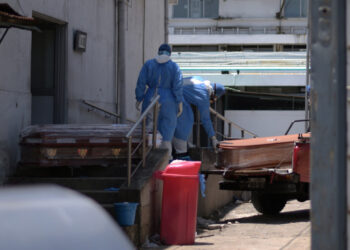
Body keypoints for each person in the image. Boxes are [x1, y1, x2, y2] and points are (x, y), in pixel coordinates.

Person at [135, 44, 183, 159]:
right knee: (167, 127)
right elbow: (178, 85)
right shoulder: (174, 67)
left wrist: (139, 98)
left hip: (150, 96)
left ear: (159, 51)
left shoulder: (148, 64)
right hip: (169, 99)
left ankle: (148, 155)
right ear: (169, 53)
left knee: (149, 127)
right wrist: (179, 101)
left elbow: (141, 82)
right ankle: (166, 157)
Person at [172, 76, 225, 159]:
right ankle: (181, 155)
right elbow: (205, 119)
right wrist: (213, 138)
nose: (211, 100)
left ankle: (181, 149)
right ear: (213, 93)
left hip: (165, 95)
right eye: (213, 98)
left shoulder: (199, 79)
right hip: (175, 100)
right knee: (185, 123)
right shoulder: (204, 95)